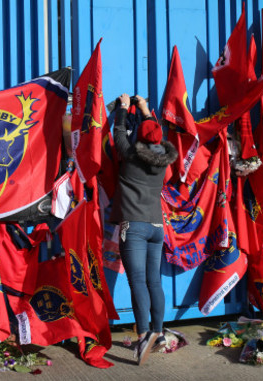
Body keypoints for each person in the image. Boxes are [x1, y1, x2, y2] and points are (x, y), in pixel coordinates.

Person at [110, 93, 177, 365]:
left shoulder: (131, 156)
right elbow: (152, 130)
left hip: (134, 226)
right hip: (156, 226)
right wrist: (145, 108)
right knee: (154, 282)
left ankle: (143, 336)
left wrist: (124, 108)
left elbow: (117, 134)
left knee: (137, 281)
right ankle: (159, 334)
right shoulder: (162, 160)